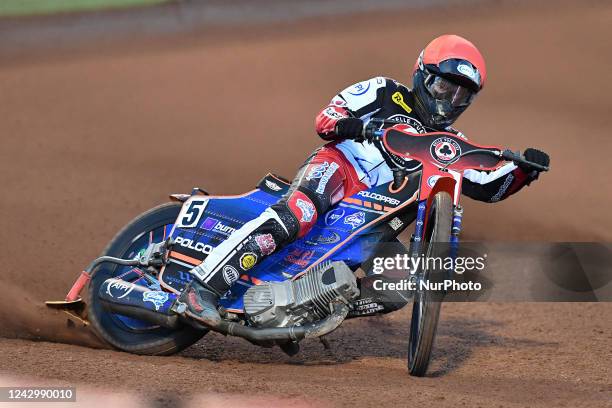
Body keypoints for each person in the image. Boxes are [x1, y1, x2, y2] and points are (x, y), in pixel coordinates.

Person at [178, 34, 550, 324]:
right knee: (299, 213)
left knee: (399, 285)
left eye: (461, 95)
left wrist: (523, 172)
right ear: (423, 76)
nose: (450, 101)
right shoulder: (384, 91)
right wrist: (361, 126)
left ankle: (302, 312)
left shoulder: (451, 145)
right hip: (339, 167)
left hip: (376, 216)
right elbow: (325, 119)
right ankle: (201, 288)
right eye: (443, 88)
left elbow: (487, 187)